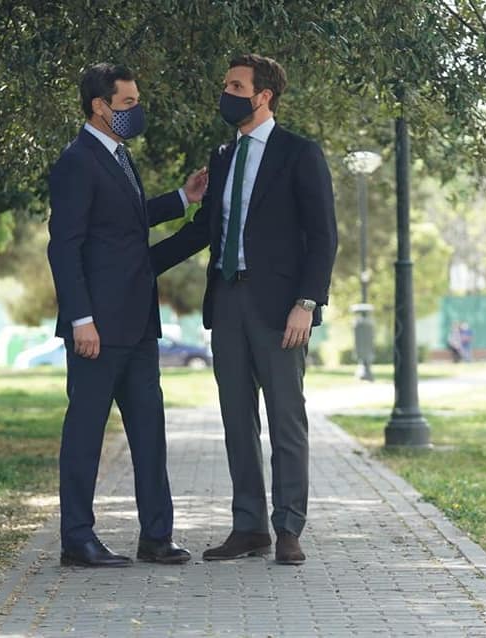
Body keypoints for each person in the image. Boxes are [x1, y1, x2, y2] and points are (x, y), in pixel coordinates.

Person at [151, 54, 338, 565]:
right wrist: (139, 265)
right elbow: (202, 231)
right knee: (236, 419)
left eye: (235, 84)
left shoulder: (300, 153)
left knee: (285, 418)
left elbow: (323, 237)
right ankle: (249, 526)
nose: (226, 91)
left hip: (281, 308)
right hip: (227, 300)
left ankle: (289, 527)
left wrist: (307, 302)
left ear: (263, 96)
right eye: (225, 82)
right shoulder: (224, 155)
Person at [47, 62, 208, 567]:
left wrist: (183, 199)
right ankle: (78, 540)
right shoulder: (77, 162)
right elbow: (64, 248)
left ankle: (156, 536)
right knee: (85, 435)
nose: (137, 112)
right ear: (100, 107)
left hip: (138, 327)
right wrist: (80, 320)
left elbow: (126, 225)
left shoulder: (119, 157)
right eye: (129, 104)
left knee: (149, 433)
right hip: (96, 328)